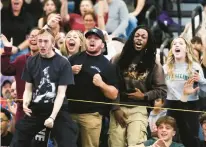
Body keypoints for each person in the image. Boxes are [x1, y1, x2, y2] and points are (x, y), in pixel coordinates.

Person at [10, 29, 78, 147]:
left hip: (58, 110)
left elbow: (61, 94)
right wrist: (26, 102)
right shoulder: (31, 61)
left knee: (68, 141)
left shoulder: (63, 63)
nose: (42, 44)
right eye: (40, 41)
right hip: (36, 109)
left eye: (46, 41)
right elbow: (28, 89)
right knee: (18, 139)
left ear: (53, 43)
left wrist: (52, 117)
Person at [109, 26, 167, 147]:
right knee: (115, 143)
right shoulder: (117, 59)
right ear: (132, 38)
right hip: (119, 106)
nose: (139, 39)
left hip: (139, 109)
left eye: (143, 37)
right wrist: (115, 108)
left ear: (148, 41)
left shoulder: (154, 64)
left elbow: (162, 89)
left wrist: (144, 96)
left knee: (136, 144)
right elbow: (110, 84)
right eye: (137, 36)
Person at [67, 28, 119, 147]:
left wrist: (101, 84)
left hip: (92, 115)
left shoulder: (107, 65)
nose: (92, 41)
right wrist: (69, 71)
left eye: (96, 39)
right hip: (69, 113)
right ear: (85, 41)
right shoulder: (74, 58)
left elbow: (114, 94)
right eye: (89, 38)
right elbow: (58, 80)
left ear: (102, 44)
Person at [163, 37, 206, 147]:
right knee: (169, 140)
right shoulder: (166, 67)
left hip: (190, 107)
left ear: (187, 48)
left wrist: (201, 81)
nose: (177, 45)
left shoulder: (195, 67)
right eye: (174, 44)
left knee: (190, 140)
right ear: (172, 49)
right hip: (171, 105)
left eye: (180, 43)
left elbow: (203, 93)